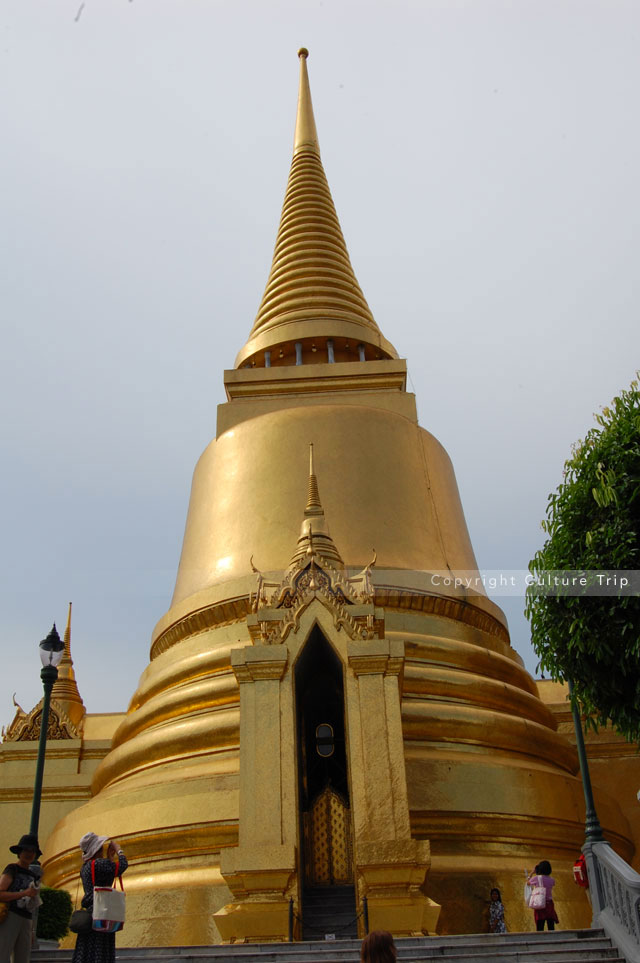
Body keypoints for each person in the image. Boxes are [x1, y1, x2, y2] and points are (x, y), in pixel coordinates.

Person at [71, 832, 128, 963]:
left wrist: (109, 858)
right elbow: (122, 866)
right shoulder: (99, 864)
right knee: (101, 951)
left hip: (90, 913)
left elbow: (104, 877)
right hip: (102, 913)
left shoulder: (85, 867)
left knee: (86, 951)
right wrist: (119, 850)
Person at [0, 833, 41, 963]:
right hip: (10, 914)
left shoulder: (33, 875)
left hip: (26, 918)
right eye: (26, 850)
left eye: (32, 851)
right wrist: (24, 893)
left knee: (23, 957)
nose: (29, 854)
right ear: (20, 852)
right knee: (3, 953)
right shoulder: (12, 869)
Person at [527, 860, 559, 931]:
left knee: (540, 925)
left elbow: (528, 883)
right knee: (550, 925)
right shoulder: (552, 880)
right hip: (549, 903)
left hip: (540, 903)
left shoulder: (536, 878)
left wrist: (532, 873)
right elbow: (552, 884)